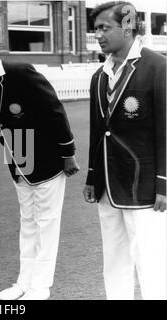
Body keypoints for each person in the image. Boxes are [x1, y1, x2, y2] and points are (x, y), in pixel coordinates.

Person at [0, 26, 79, 300]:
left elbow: (54, 110)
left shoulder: (21, 73)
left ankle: (40, 287)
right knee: (28, 224)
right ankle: (23, 282)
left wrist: (68, 154)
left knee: (45, 224)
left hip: (47, 161)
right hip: (19, 164)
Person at [83, 1, 166, 300]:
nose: (99, 35)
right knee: (114, 260)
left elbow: (165, 131)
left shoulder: (158, 67)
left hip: (144, 187)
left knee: (151, 263)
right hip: (108, 183)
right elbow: (98, 133)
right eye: (96, 30)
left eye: (105, 28)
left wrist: (164, 183)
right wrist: (93, 177)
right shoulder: (99, 76)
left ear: (128, 26)